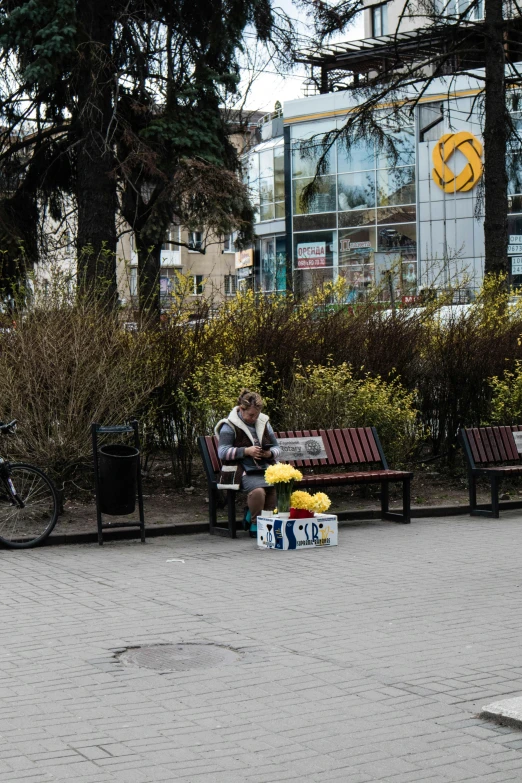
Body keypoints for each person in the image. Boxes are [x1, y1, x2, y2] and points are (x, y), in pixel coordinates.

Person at [215, 389, 280, 537]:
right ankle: (256, 523)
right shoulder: (229, 425)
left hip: (264, 467)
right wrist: (246, 451)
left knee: (275, 488)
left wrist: (268, 453)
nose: (253, 418)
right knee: (258, 491)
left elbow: (277, 448)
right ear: (241, 409)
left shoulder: (264, 422)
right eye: (250, 415)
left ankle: (265, 521)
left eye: (256, 415)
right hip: (239, 469)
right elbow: (222, 452)